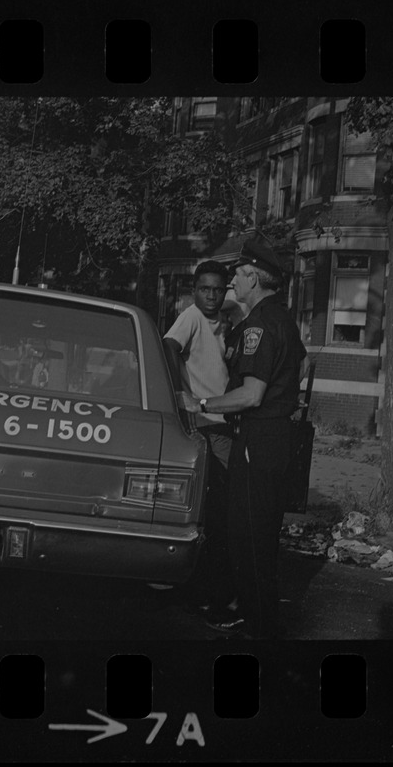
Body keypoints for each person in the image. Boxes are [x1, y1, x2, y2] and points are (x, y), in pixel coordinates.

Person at [181, 238, 307, 639]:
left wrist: (200, 402)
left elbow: (251, 394)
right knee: (261, 532)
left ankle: (260, 626)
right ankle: (260, 617)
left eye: (238, 272)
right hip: (277, 435)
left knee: (248, 534)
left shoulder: (258, 326)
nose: (232, 278)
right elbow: (301, 365)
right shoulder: (283, 319)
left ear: (253, 276)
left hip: (258, 437)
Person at [163, 260, 235, 615]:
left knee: (217, 507)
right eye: (205, 289)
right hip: (203, 421)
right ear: (195, 291)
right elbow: (169, 347)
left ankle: (206, 585)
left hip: (221, 421)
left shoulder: (224, 321)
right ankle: (205, 589)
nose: (211, 295)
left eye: (218, 289)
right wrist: (182, 395)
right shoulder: (191, 316)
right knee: (212, 506)